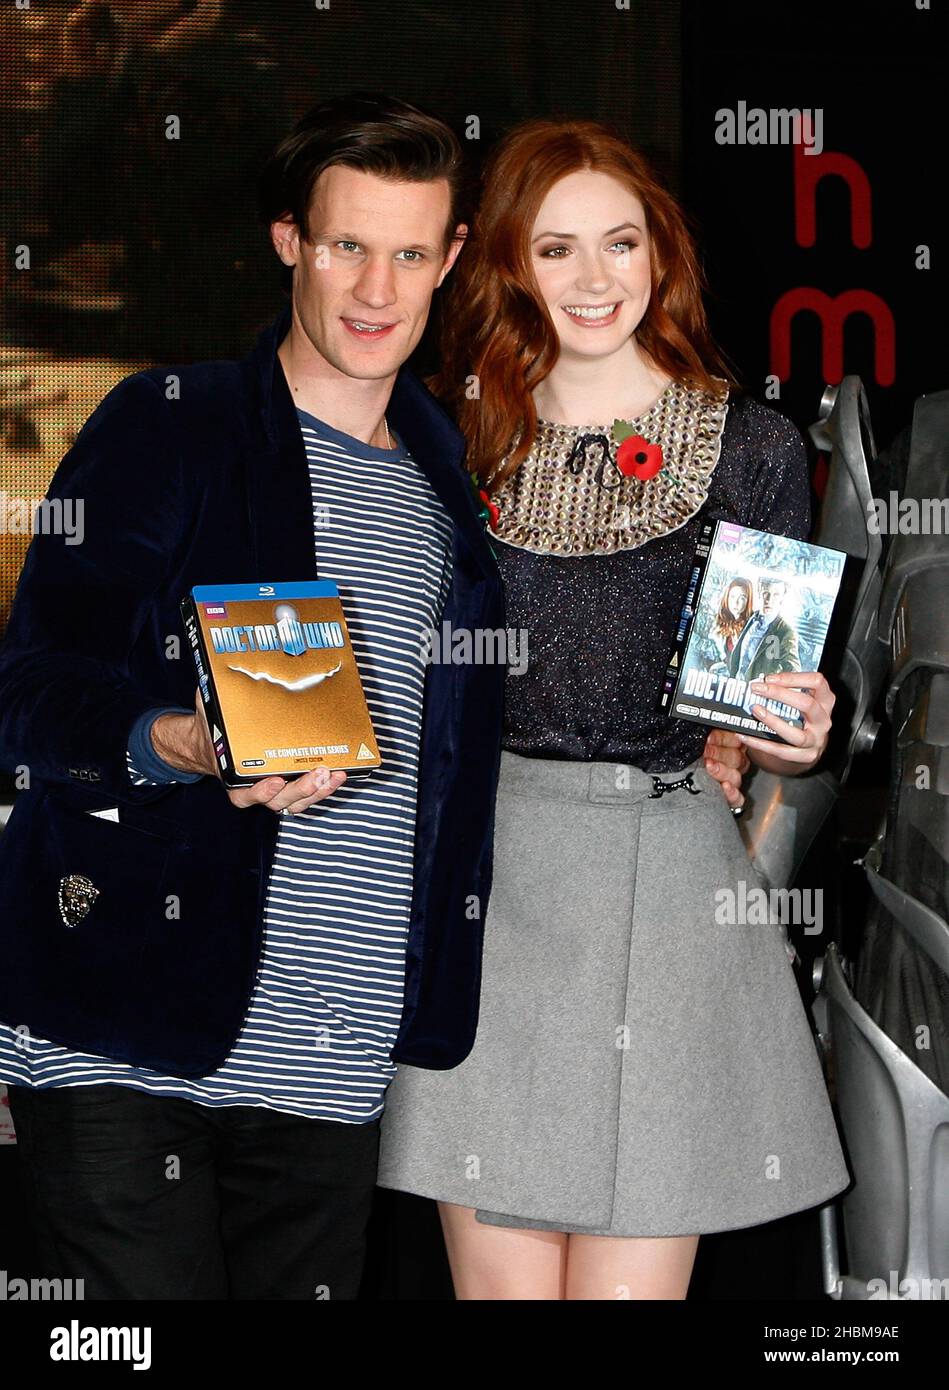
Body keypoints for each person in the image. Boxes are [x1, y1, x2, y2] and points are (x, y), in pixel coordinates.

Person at [0, 92, 512, 1301]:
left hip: (331, 1066)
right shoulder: (172, 428)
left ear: (448, 262)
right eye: (346, 245)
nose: (375, 290)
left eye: (406, 253)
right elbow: (26, 691)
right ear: (289, 241)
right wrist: (171, 738)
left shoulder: (459, 496)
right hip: (124, 1035)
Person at [376, 117, 851, 1300]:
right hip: (498, 896)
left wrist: (788, 732)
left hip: (674, 893)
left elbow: (753, 713)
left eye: (621, 243)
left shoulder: (753, 448)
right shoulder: (445, 438)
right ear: (506, 267)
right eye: (557, 249)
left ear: (660, 254)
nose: (594, 280)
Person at [728, 576, 802, 682]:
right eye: (765, 593)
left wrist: (769, 685)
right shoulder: (751, 618)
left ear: (782, 597)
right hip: (734, 688)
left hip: (757, 695)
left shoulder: (785, 632)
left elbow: (794, 674)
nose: (769, 600)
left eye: (776, 594)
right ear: (759, 591)